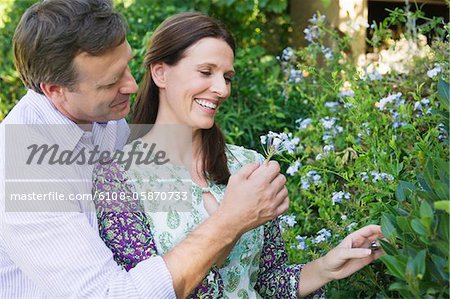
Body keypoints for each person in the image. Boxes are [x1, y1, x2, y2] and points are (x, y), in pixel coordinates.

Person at [0, 1, 289, 298]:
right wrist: (230, 220)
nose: (132, 85)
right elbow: (112, 294)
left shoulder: (104, 118)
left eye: (126, 65)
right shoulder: (22, 171)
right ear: (54, 90)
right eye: (111, 82)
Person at [92, 12, 384, 298]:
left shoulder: (249, 165)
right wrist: (234, 221)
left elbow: (269, 280)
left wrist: (326, 267)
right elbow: (151, 292)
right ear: (160, 72)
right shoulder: (118, 177)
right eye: (206, 72)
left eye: (227, 77)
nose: (221, 89)